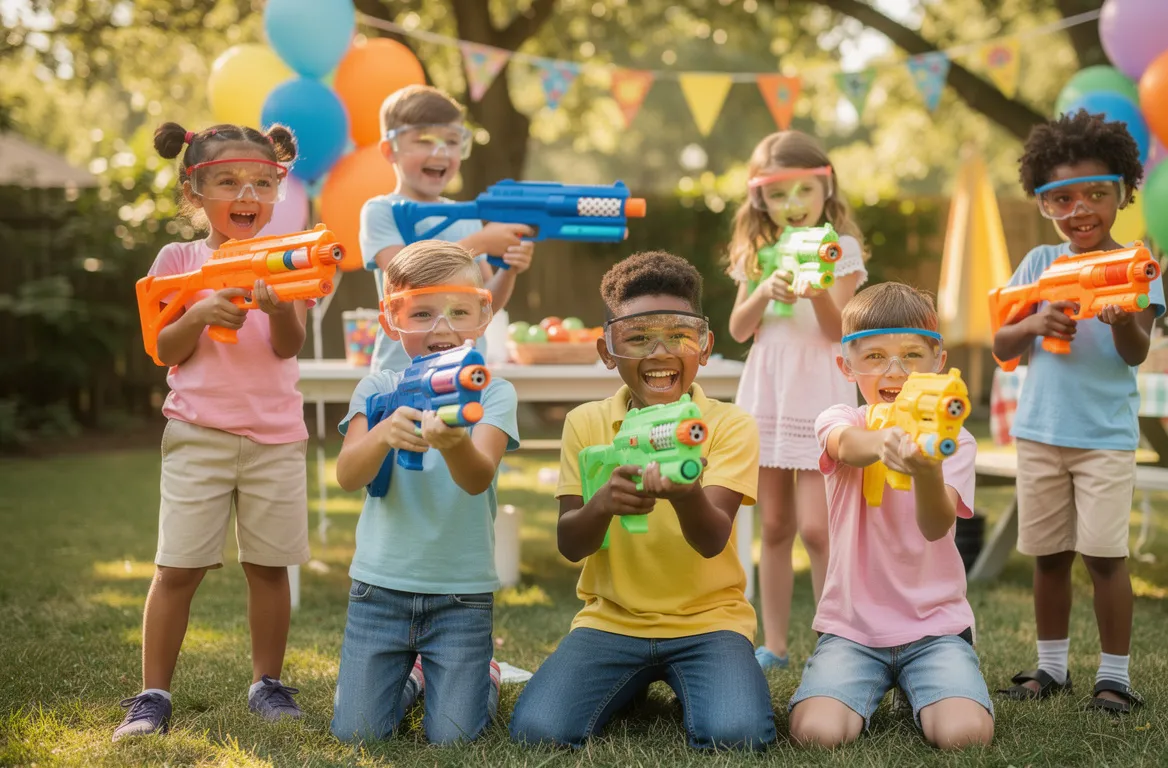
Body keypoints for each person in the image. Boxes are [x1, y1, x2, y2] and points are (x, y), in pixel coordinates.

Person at [509, 251, 775, 751]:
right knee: (538, 732)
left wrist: (684, 493)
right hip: (611, 619)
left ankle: (682, 684)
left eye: (679, 335)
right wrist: (603, 503)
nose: (659, 352)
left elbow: (712, 539)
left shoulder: (730, 424)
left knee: (736, 736)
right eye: (636, 337)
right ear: (607, 350)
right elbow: (570, 543)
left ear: (705, 345)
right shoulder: (585, 423)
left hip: (710, 623)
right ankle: (631, 685)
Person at [114, 121, 310, 740]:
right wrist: (199, 311)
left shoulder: (287, 259)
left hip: (276, 436)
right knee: (177, 568)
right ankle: (152, 696)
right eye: (227, 182)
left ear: (276, 188)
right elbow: (163, 348)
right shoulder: (178, 260)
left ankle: (268, 684)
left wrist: (278, 308)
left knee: (270, 566)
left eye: (261, 182)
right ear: (195, 192)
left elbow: (288, 347)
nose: (246, 195)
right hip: (198, 434)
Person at [992, 109, 1164, 715]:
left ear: (1123, 193)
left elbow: (1136, 353)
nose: (1081, 209)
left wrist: (1121, 322)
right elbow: (1001, 346)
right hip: (1040, 434)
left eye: (1097, 193)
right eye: (1062, 198)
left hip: (1105, 438)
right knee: (1050, 556)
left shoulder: (1136, 265)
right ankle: (1051, 668)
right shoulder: (1038, 266)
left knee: (1105, 557)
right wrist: (1035, 321)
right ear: (1044, 205)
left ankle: (1113, 677)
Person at [788, 282, 994, 750]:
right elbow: (846, 446)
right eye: (875, 356)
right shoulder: (841, 417)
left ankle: (931, 679)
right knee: (816, 734)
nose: (896, 371)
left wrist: (925, 469)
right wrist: (887, 441)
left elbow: (936, 526)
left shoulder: (955, 440)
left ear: (939, 361)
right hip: (853, 630)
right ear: (847, 366)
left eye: (912, 355)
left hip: (935, 628)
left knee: (966, 737)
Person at [330, 240, 519, 743]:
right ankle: (416, 679)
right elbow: (348, 475)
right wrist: (383, 433)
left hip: (461, 593)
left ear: (485, 313)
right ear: (391, 321)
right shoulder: (376, 390)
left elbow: (476, 478)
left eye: (460, 311)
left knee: (454, 738)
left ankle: (484, 675)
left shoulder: (494, 392)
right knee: (357, 736)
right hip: (379, 590)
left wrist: (453, 443)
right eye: (423, 313)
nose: (443, 328)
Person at [725, 130, 868, 670]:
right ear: (760, 198)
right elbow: (739, 330)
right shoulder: (758, 253)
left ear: (825, 189)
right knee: (775, 527)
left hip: (818, 393)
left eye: (804, 191)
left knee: (816, 526)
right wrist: (763, 290)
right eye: (779, 195)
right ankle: (777, 645)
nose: (793, 206)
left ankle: (838, 638)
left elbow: (841, 333)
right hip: (768, 391)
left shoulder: (842, 250)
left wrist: (817, 293)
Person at [361, 84, 535, 373]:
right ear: (389, 150)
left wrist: (509, 269)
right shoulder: (380, 210)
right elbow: (407, 276)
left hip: (463, 371)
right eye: (424, 141)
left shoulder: (466, 216)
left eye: (452, 141)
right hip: (400, 372)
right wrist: (480, 242)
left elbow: (486, 304)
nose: (440, 152)